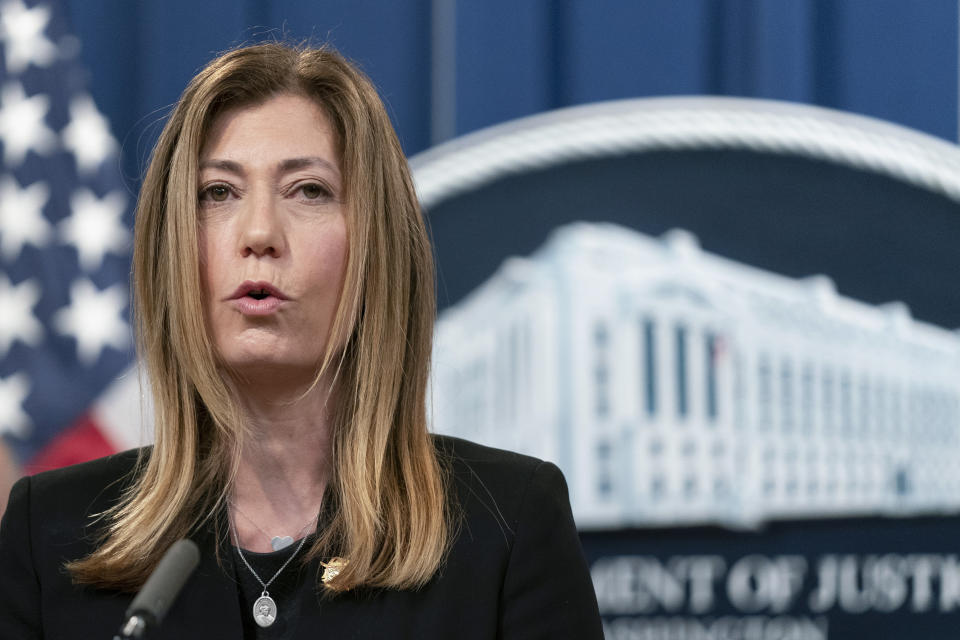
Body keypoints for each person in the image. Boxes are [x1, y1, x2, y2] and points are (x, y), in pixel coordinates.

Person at [0, 43, 603, 639]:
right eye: (218, 193)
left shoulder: (506, 526)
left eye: (308, 190)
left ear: (376, 250)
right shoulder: (50, 531)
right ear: (173, 249)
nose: (259, 233)